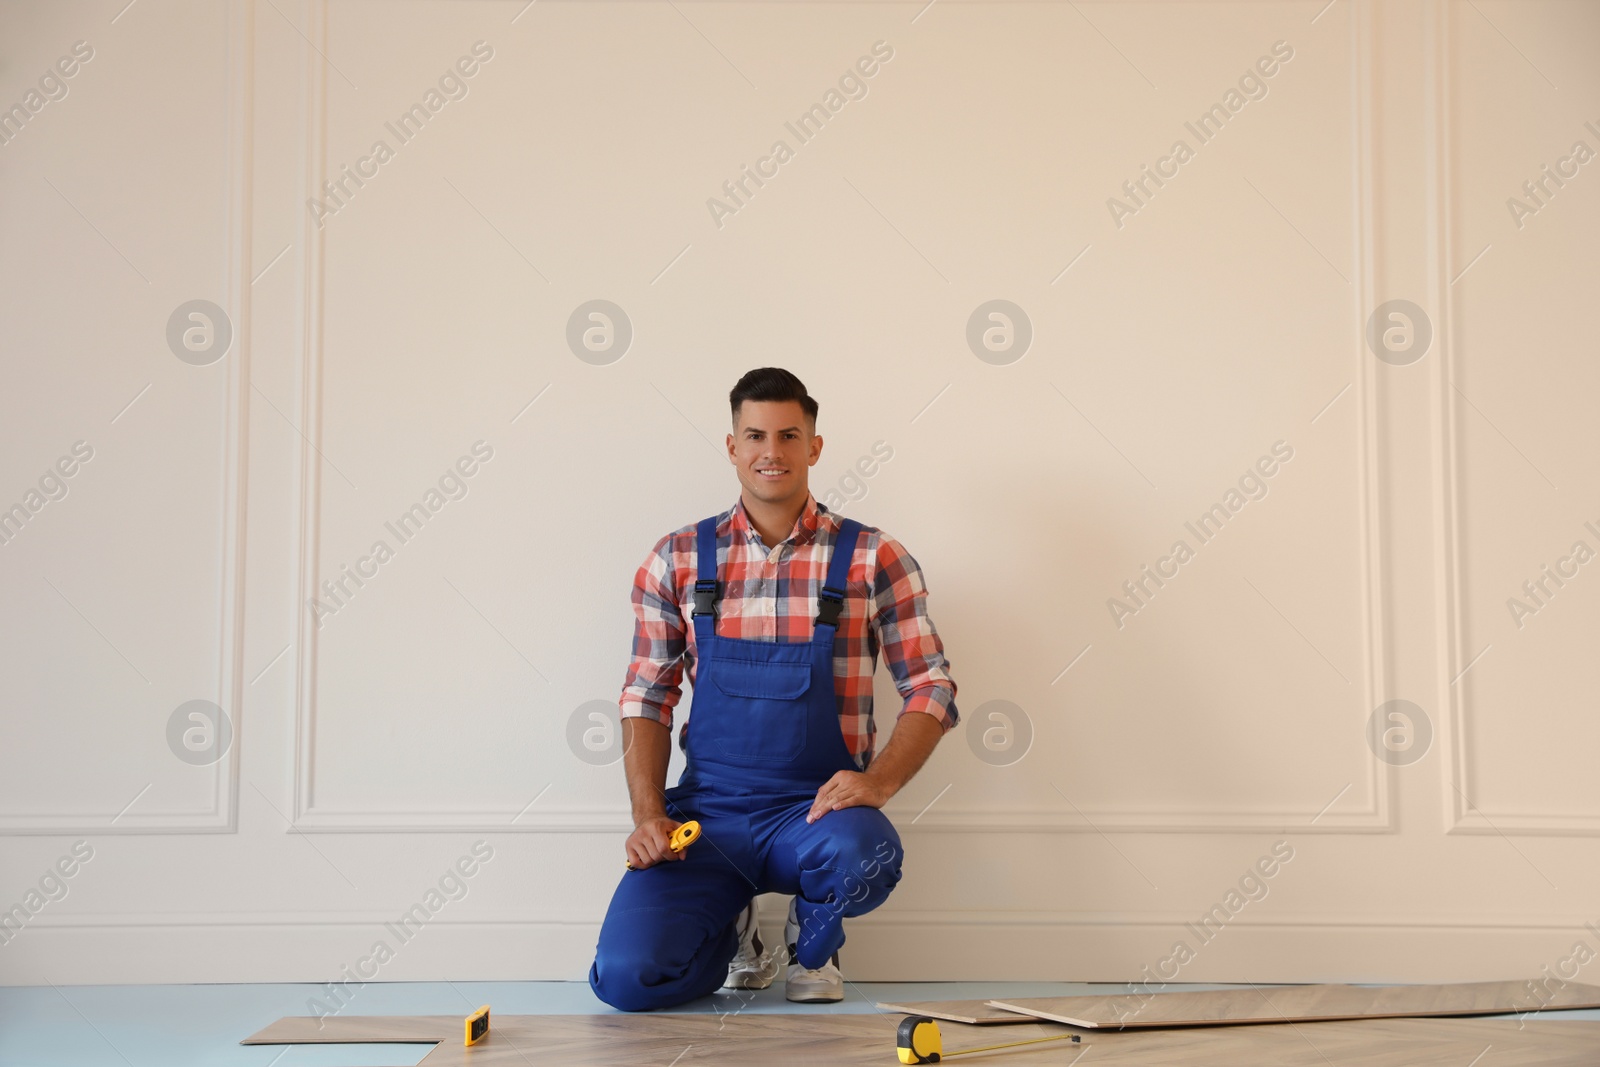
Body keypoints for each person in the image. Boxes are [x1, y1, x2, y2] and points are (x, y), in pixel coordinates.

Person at [587, 367, 961, 1012]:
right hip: (708, 817)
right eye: (755, 435)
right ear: (732, 446)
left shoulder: (874, 558)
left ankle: (812, 933)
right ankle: (734, 933)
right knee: (628, 977)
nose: (772, 451)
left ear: (814, 447)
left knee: (868, 855)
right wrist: (649, 816)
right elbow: (646, 697)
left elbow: (931, 685)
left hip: (815, 812)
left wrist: (880, 784)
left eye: (789, 435)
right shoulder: (676, 558)